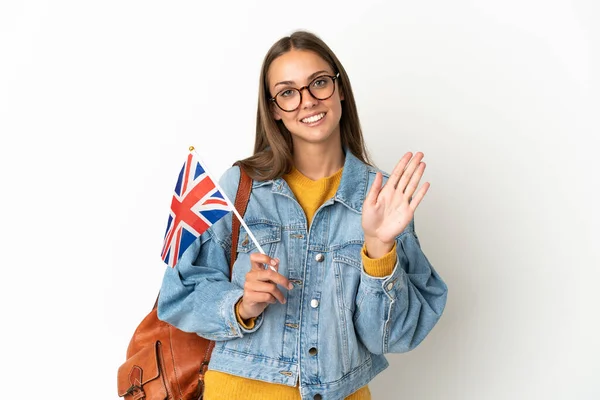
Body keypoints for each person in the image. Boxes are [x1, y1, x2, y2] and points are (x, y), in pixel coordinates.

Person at [157, 30, 448, 400]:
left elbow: (391, 337)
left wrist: (378, 248)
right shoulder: (241, 187)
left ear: (340, 89)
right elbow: (177, 295)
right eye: (288, 92)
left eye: (319, 83)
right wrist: (241, 304)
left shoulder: (384, 199)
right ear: (274, 108)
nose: (307, 102)